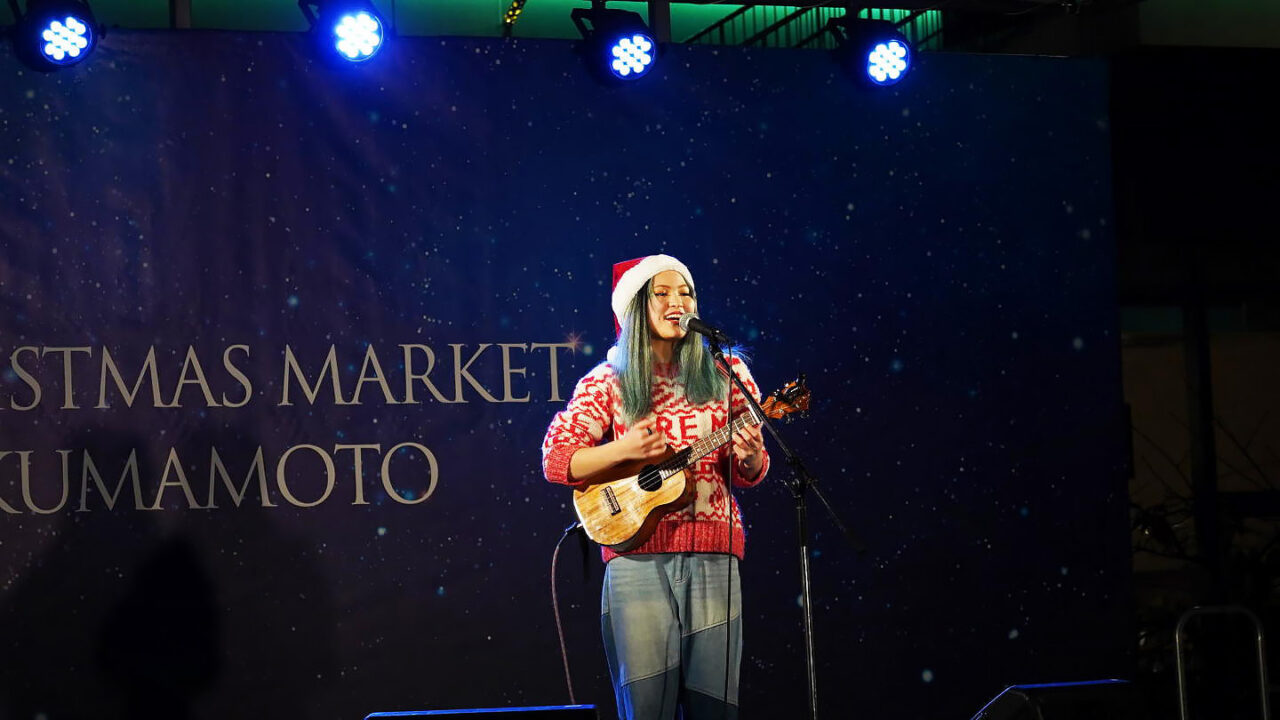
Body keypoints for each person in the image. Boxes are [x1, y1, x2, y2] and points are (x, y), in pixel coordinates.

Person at [541, 254, 770, 720]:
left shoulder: (727, 373)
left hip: (715, 556)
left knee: (716, 707)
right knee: (646, 708)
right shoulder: (606, 381)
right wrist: (622, 450)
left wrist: (750, 457)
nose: (676, 302)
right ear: (634, 309)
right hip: (636, 560)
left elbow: (747, 470)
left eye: (685, 293)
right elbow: (557, 459)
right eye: (661, 294)